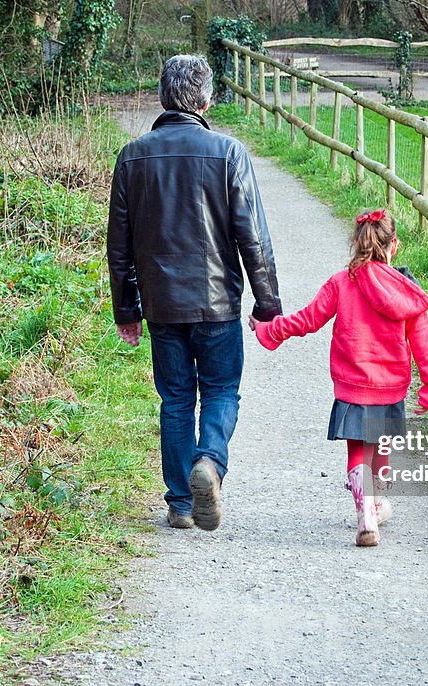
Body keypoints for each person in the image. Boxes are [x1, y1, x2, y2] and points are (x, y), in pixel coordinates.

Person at [107, 55, 282, 531]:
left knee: (177, 399)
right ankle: (210, 462)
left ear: (163, 97)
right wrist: (268, 304)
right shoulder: (228, 153)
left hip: (162, 306)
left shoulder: (132, 156)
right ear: (206, 100)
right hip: (218, 302)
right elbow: (253, 237)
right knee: (222, 390)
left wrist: (127, 308)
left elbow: (118, 245)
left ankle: (181, 503)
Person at [248, 210, 428, 546]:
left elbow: (307, 320)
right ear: (393, 245)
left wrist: (269, 329)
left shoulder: (341, 283)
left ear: (356, 242)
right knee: (380, 446)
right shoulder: (406, 292)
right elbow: (424, 343)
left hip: (352, 386)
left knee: (357, 450)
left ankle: (364, 508)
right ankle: (375, 501)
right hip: (390, 386)